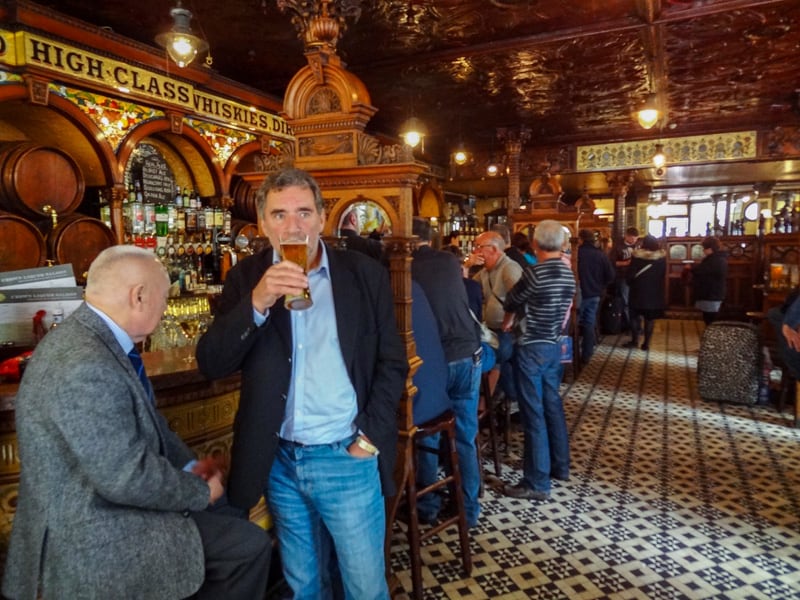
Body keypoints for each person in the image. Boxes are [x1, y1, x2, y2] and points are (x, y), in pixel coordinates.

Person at [2, 245, 271, 600]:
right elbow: (124, 477)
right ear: (139, 296)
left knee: (232, 508)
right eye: (164, 297)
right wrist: (199, 490)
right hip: (91, 533)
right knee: (247, 545)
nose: (164, 308)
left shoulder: (91, 338)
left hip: (104, 507)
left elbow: (151, 423)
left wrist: (191, 467)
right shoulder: (83, 364)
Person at [196, 168, 407, 599]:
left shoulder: (363, 274)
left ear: (323, 218)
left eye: (304, 212)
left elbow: (392, 362)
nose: (293, 226)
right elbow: (211, 362)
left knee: (365, 588)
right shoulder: (245, 279)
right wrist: (257, 302)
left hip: (345, 456)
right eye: (279, 214)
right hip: (280, 462)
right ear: (262, 224)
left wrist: (367, 439)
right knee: (304, 585)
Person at [411, 217, 482, 528]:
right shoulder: (449, 261)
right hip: (470, 353)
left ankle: (426, 506)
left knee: (425, 430)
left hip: (437, 361)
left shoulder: (404, 269)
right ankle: (469, 509)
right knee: (465, 435)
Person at [501, 220, 576, 501]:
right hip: (554, 346)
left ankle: (537, 481)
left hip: (532, 346)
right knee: (552, 405)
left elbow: (512, 300)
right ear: (562, 244)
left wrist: (510, 318)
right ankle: (560, 465)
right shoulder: (569, 274)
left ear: (535, 243)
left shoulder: (535, 273)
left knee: (533, 414)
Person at [466, 230, 524, 416]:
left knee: (495, 355)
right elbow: (463, 289)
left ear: (493, 249)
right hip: (490, 330)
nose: (475, 251)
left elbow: (520, 298)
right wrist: (467, 266)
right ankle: (491, 400)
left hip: (508, 332)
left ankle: (491, 401)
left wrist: (509, 319)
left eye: (478, 247)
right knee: (475, 353)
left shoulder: (509, 268)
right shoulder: (485, 272)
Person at [576, 228, 615, 361]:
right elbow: (610, 275)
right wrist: (601, 286)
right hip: (594, 294)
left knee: (573, 326)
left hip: (579, 294)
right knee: (589, 323)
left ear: (580, 239)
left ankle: (572, 355)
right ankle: (587, 354)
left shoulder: (577, 254)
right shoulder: (601, 255)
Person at [624, 234, 666, 351]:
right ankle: (646, 344)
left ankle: (635, 341)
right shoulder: (661, 258)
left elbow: (630, 274)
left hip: (637, 291)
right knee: (650, 319)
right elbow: (663, 274)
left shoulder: (637, 256)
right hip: (654, 292)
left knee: (634, 317)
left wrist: (630, 282)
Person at [686, 236, 728, 325]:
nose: (703, 251)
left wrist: (691, 268)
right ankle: (710, 334)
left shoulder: (716, 260)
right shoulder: (717, 258)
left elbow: (703, 271)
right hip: (712, 293)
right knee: (708, 317)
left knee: (710, 318)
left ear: (709, 248)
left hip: (711, 293)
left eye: (704, 248)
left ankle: (710, 336)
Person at [611, 227, 640, 328]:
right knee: (626, 301)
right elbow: (611, 263)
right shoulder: (618, 247)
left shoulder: (638, 246)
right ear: (626, 236)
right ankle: (630, 325)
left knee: (637, 301)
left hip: (637, 278)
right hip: (623, 277)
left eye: (636, 238)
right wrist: (625, 263)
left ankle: (637, 325)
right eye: (632, 238)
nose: (634, 241)